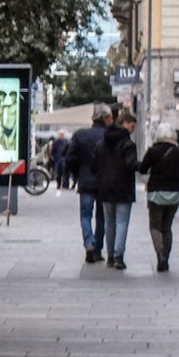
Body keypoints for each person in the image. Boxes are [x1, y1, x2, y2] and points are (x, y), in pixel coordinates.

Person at [138, 122, 179, 272]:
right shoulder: (178, 151)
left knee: (155, 226)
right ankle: (166, 257)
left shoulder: (152, 151)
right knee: (167, 227)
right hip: (175, 193)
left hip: (156, 193)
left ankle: (160, 255)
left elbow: (143, 169)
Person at [64, 103, 115, 263]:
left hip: (85, 180)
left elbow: (70, 158)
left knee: (85, 215)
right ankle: (98, 250)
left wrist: (77, 174)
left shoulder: (80, 135)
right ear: (105, 118)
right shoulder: (109, 135)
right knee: (101, 217)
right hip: (105, 181)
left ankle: (88, 243)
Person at [93, 110, 139, 270]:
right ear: (125, 124)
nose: (132, 130)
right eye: (132, 126)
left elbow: (94, 164)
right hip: (124, 187)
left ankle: (110, 255)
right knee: (121, 222)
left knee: (109, 222)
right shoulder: (128, 144)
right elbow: (130, 164)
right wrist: (141, 166)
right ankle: (119, 256)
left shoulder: (101, 143)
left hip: (105, 187)